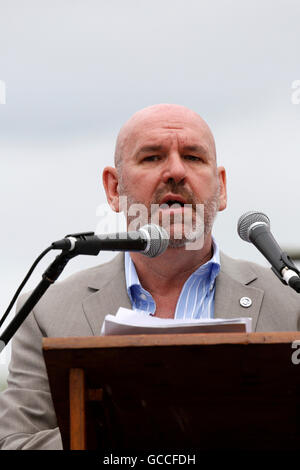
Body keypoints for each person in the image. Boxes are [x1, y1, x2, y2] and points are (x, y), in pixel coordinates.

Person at [0, 103, 300, 450]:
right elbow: (14, 444)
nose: (175, 171)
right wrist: (119, 429)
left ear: (221, 187)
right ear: (114, 189)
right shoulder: (46, 313)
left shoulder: (291, 304)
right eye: (152, 158)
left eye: (193, 157)